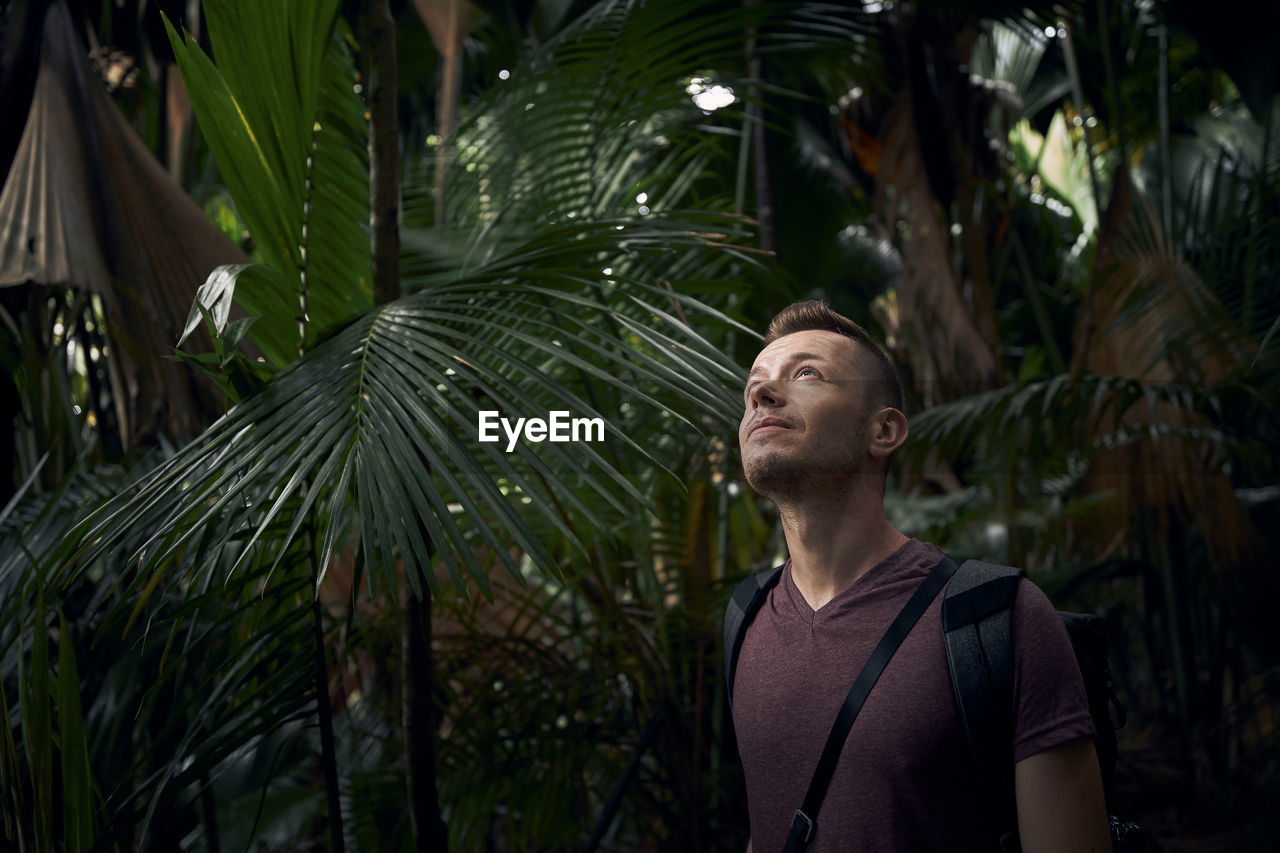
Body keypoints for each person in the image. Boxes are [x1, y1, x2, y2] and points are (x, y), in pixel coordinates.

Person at [731, 300, 1109, 852]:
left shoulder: (999, 617)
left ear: (883, 430)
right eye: (753, 387)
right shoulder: (747, 617)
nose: (761, 395)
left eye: (806, 373)